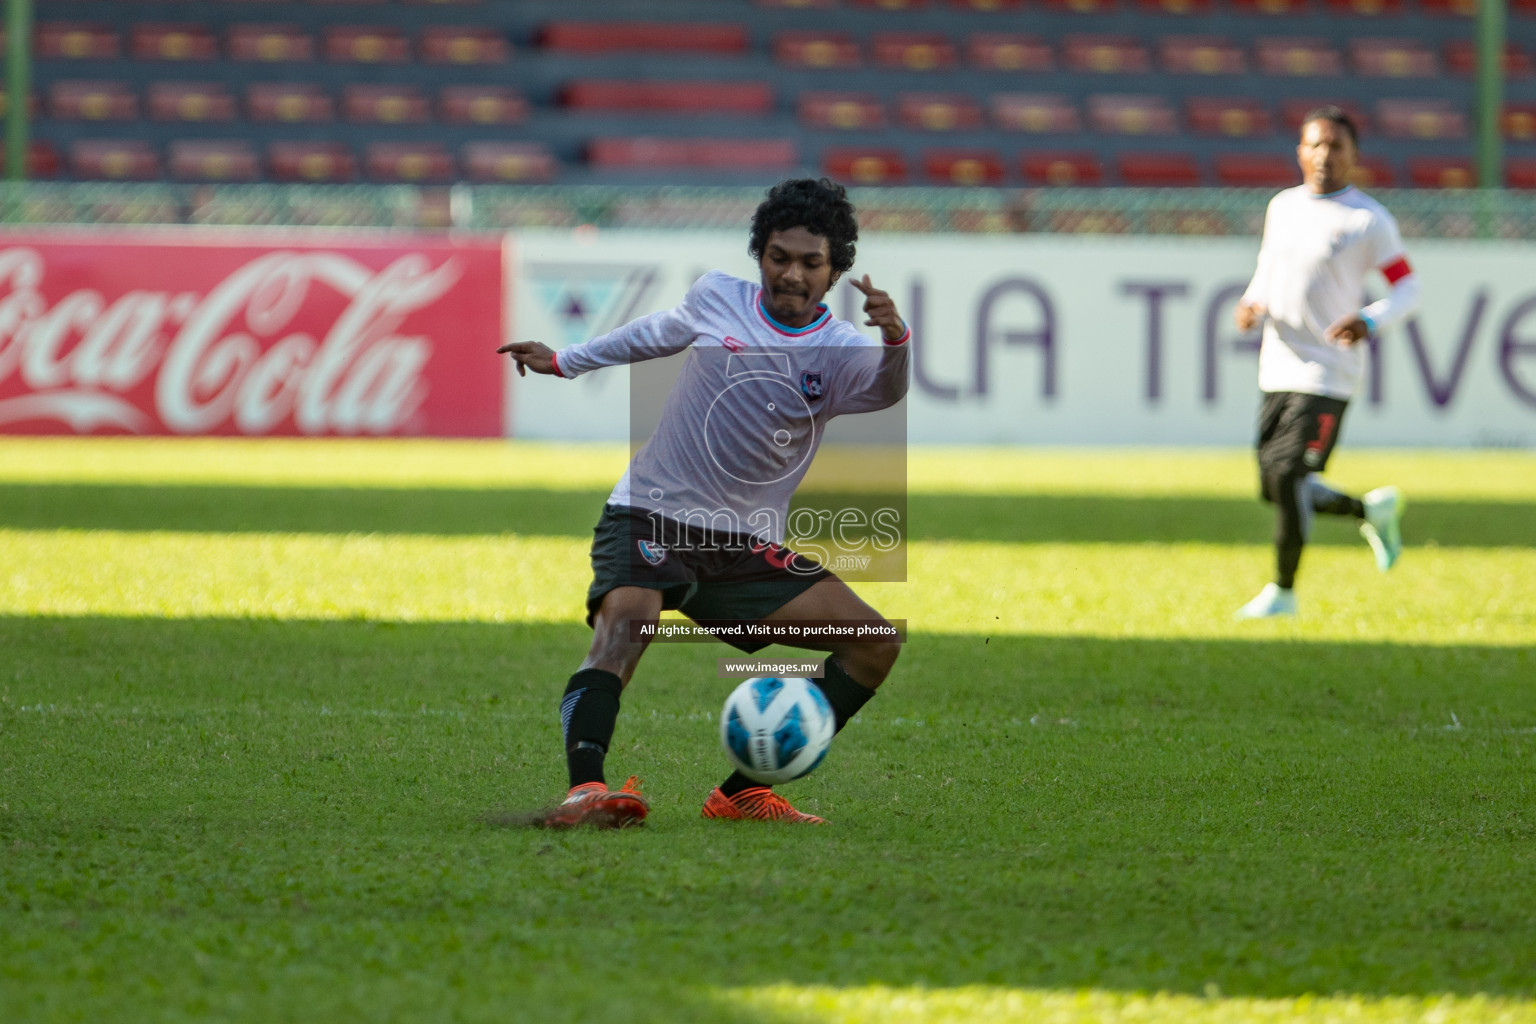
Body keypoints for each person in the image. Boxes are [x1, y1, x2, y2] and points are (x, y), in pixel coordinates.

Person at [497, 178, 910, 827]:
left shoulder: (844, 353)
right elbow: (656, 333)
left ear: (835, 271)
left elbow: (886, 391)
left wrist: (896, 343)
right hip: (650, 513)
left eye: (810, 262)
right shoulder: (719, 297)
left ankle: (743, 792)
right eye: (779, 257)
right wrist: (568, 359)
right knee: (626, 627)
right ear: (760, 255)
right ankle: (586, 789)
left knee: (874, 644)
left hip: (739, 547)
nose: (791, 274)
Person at [1233, 106, 1420, 620]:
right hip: (1278, 363)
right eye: (1316, 144)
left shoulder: (1367, 220)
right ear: (1300, 152)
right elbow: (1268, 270)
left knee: (1290, 473)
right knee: (1275, 485)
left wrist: (1370, 319)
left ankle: (1283, 593)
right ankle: (1370, 511)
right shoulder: (1283, 207)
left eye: (1336, 146)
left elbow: (1408, 287)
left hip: (1327, 369)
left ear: (1354, 157)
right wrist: (1251, 303)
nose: (1324, 155)